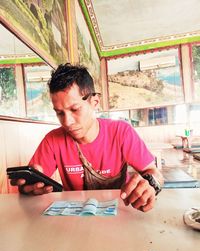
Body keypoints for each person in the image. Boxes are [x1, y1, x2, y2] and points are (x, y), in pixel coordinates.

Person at [11, 63, 164, 212]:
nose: (67, 122)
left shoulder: (121, 131)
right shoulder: (52, 140)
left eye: (75, 109)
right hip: (74, 219)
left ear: (95, 102)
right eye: (59, 113)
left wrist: (151, 184)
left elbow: (153, 172)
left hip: (120, 212)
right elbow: (31, 186)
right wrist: (28, 189)